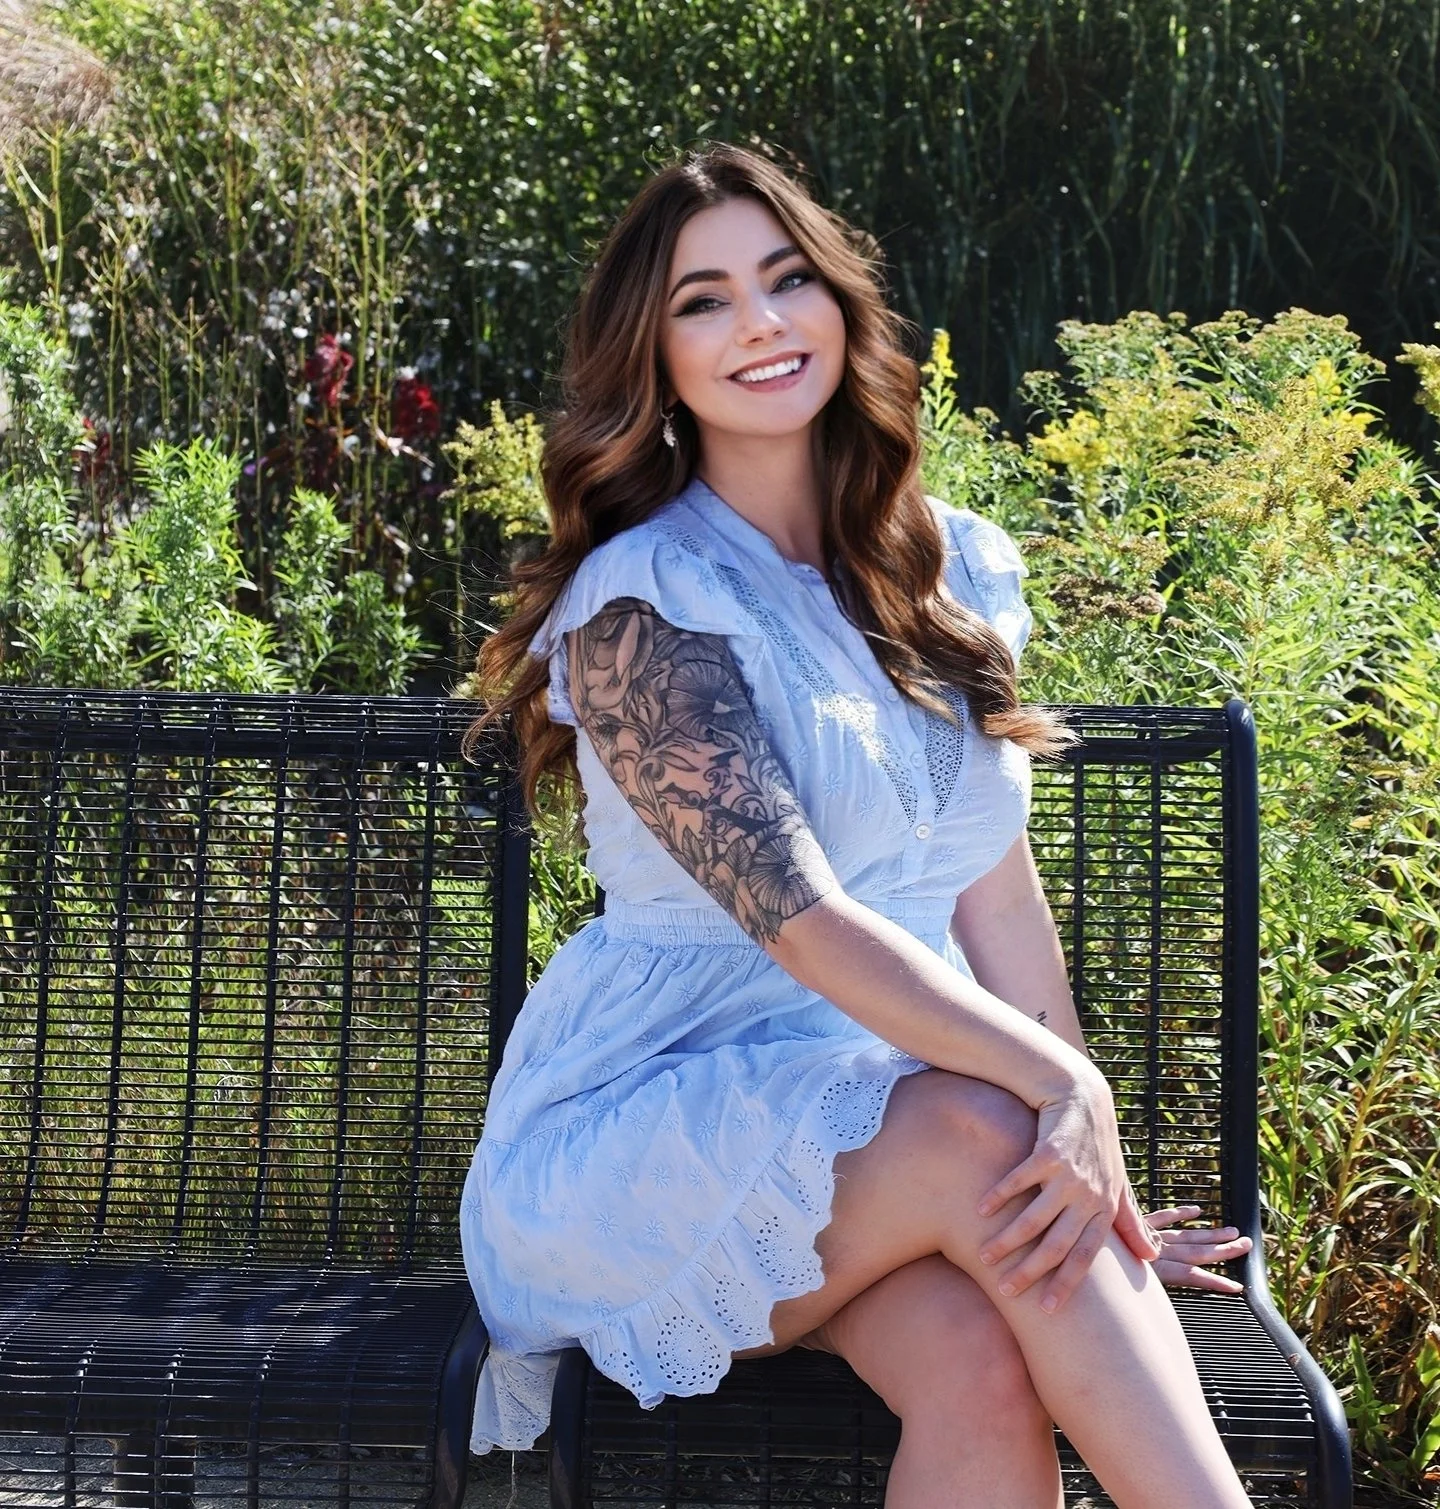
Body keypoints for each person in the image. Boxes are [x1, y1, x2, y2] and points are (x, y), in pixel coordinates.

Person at [460, 141, 1256, 1508]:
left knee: (982, 1365)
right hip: (645, 1139)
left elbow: (993, 895)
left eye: (787, 280)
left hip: (874, 1130)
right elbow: (806, 926)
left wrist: (1089, 1178)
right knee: (982, 1133)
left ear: (839, 302)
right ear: (654, 357)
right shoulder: (642, 602)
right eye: (703, 301)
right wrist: (1061, 1095)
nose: (760, 323)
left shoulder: (949, 565)